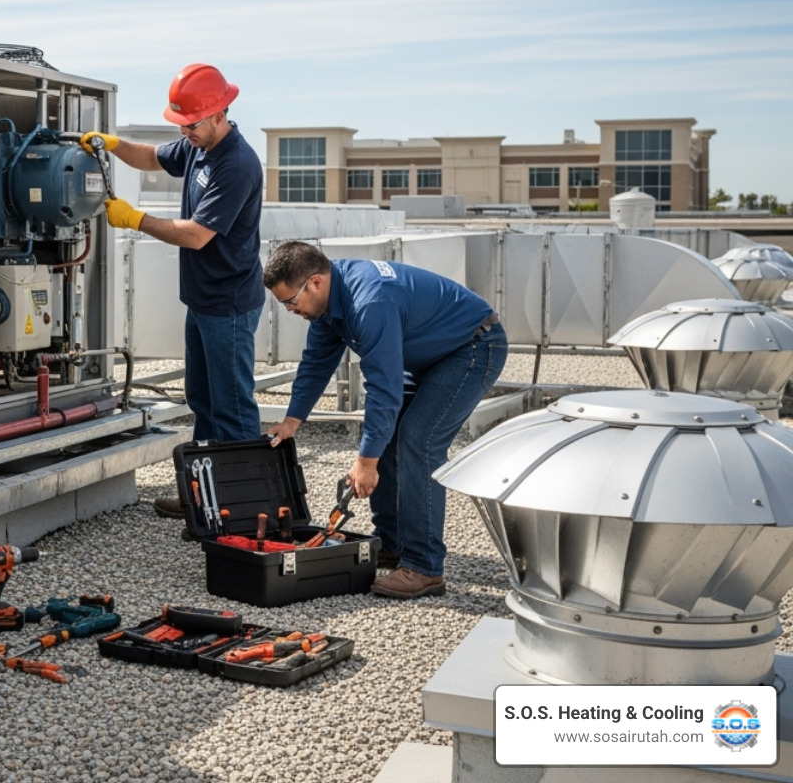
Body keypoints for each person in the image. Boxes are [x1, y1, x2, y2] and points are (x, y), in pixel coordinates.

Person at [263, 241, 506, 599]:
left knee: (419, 440)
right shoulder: (329, 303)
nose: (288, 310)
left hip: (472, 347)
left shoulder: (369, 301)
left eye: (290, 301)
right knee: (388, 438)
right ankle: (393, 546)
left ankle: (424, 567)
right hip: (430, 355)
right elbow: (316, 364)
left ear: (314, 282)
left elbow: (384, 389)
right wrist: (292, 420)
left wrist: (365, 463)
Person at [81, 63, 265, 519]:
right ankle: (205, 496)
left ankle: (246, 505)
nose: (186, 133)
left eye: (192, 124)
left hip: (229, 304)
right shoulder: (198, 146)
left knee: (233, 409)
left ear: (220, 113)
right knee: (202, 401)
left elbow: (198, 235)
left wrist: (135, 219)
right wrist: (113, 144)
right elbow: (152, 157)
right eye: (181, 125)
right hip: (203, 300)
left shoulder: (236, 163)